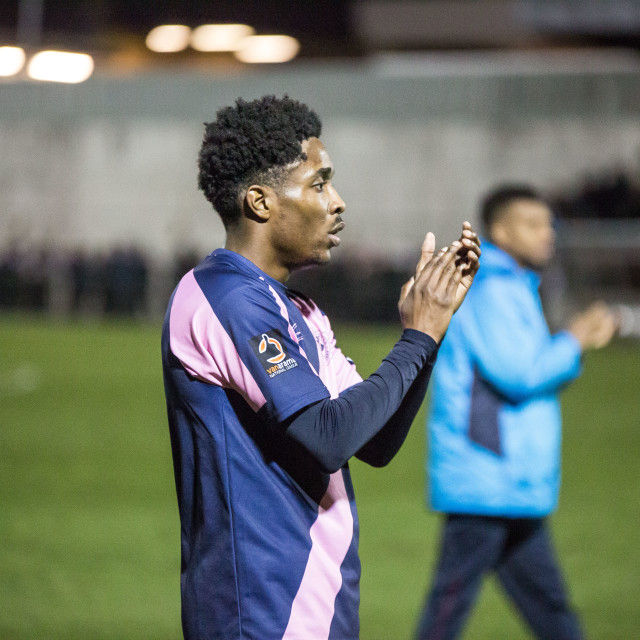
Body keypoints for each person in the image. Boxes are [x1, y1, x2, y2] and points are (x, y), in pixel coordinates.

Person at [161, 95, 481, 640]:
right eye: (318, 184)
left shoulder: (300, 311)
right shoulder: (223, 298)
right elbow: (326, 436)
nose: (338, 202)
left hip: (319, 607)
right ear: (260, 202)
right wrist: (419, 336)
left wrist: (428, 335)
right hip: (259, 613)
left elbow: (373, 443)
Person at [415, 184, 618, 640]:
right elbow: (520, 374)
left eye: (549, 224)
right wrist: (575, 339)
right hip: (487, 478)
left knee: (550, 610)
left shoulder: (515, 285)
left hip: (509, 483)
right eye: (533, 224)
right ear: (501, 230)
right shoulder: (493, 289)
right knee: (449, 611)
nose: (548, 234)